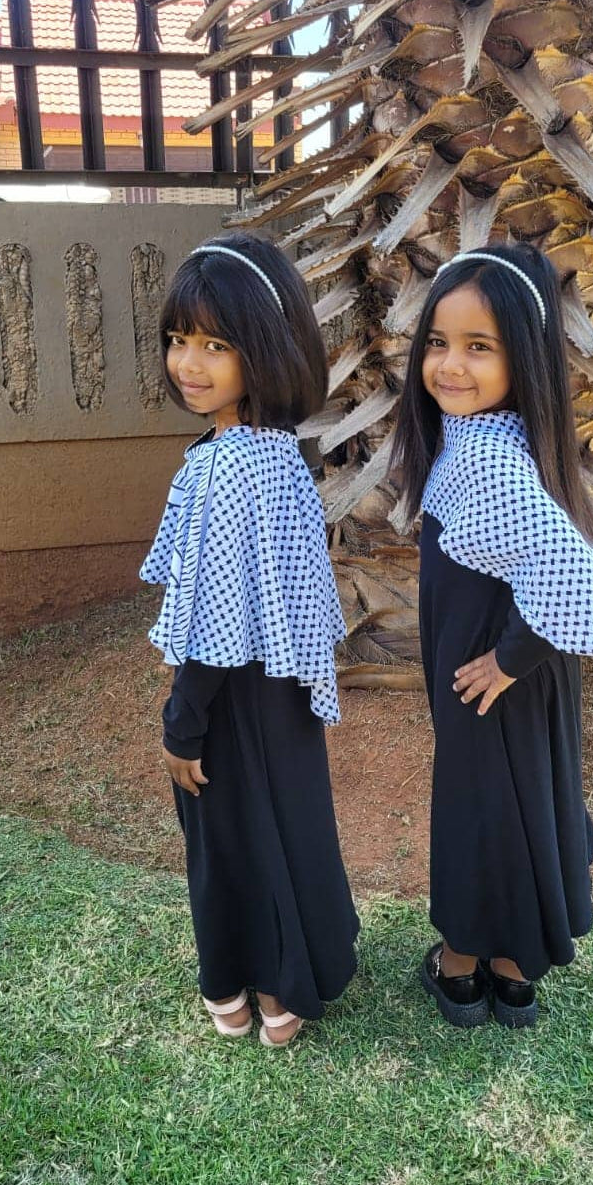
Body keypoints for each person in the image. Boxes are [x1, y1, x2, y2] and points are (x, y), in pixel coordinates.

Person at [391, 242, 593, 1028]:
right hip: (512, 673)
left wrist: (507, 660)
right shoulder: (497, 440)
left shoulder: (491, 461)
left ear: (524, 359)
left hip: (491, 675)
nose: (450, 366)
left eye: (479, 347)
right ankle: (514, 975)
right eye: (438, 343)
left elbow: (573, 576)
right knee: (524, 806)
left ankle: (461, 969)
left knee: (479, 812)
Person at [139, 233, 359, 1048]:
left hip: (228, 696)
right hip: (284, 689)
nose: (188, 363)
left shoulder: (224, 466)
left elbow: (213, 620)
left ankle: (231, 983)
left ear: (264, 349)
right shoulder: (277, 454)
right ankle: (286, 984)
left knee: (227, 838)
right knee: (286, 828)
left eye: (215, 345)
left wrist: (182, 722)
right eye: (178, 339)